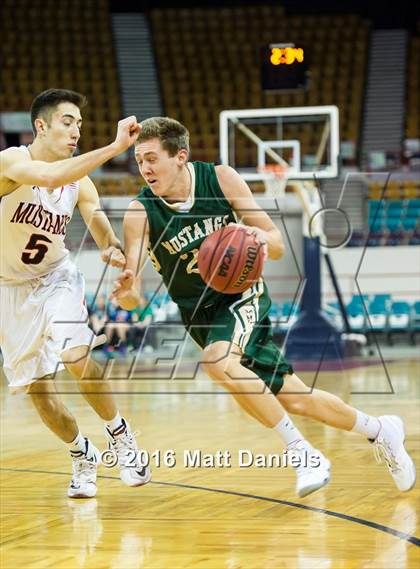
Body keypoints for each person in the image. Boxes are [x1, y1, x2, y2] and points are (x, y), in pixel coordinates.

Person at [111, 117, 416, 497]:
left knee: (217, 363)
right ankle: (380, 430)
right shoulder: (140, 212)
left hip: (241, 295)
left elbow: (276, 244)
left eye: (152, 158)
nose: (145, 168)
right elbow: (133, 296)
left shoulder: (220, 180)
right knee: (295, 397)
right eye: (140, 160)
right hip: (199, 315)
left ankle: (303, 454)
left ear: (180, 157)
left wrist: (256, 234)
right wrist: (124, 288)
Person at [0, 89, 151, 498]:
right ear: (41, 126)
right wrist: (117, 146)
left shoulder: (79, 178)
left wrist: (110, 245)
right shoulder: (12, 162)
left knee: (76, 356)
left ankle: (120, 436)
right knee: (40, 394)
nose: (76, 131)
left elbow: (96, 216)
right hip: (9, 291)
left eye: (80, 125)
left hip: (56, 278)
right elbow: (50, 177)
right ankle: (82, 454)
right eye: (68, 122)